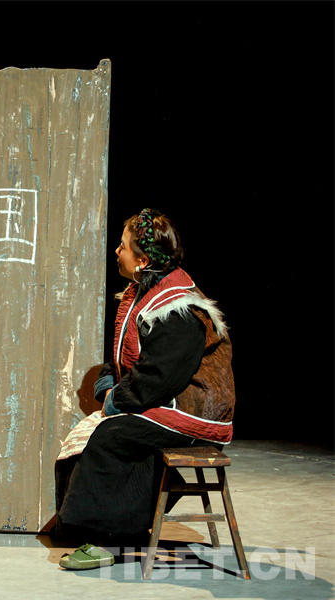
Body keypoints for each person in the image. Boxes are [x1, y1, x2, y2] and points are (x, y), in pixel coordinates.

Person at [51, 208, 236, 570]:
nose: (116, 252)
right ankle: (123, 523)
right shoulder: (142, 294)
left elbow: (159, 378)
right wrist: (109, 387)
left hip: (192, 410)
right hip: (162, 399)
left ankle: (107, 540)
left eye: (123, 246)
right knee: (102, 431)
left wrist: (116, 401)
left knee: (112, 437)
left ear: (143, 261)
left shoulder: (177, 309)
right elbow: (123, 359)